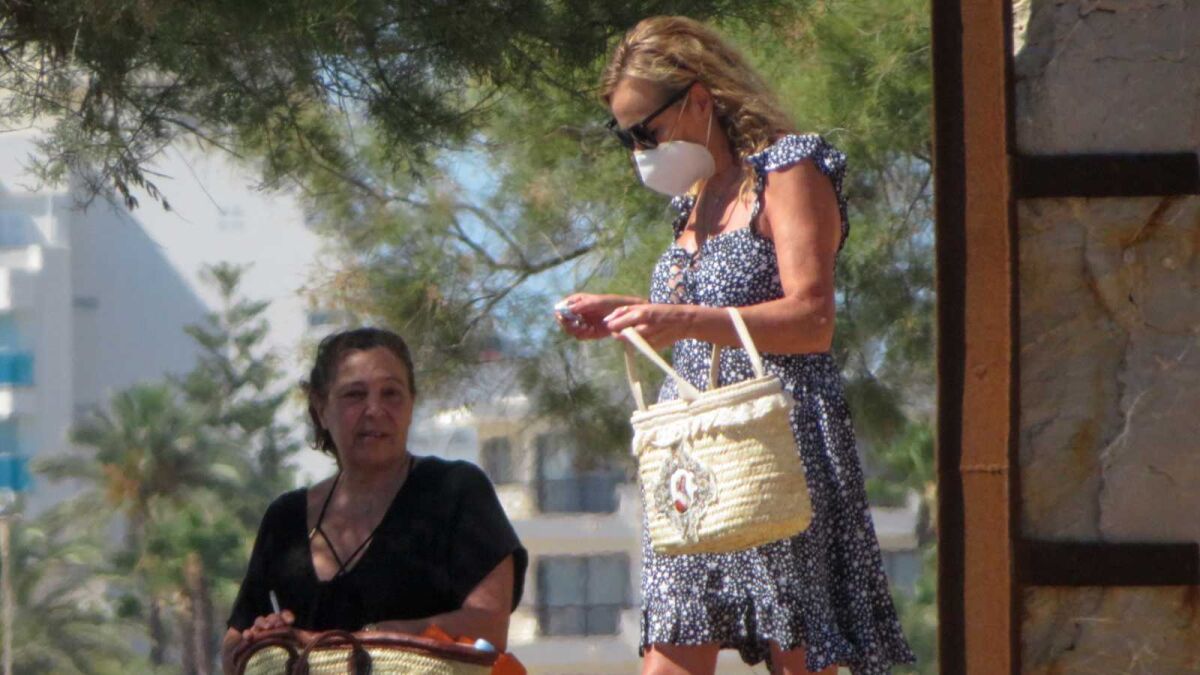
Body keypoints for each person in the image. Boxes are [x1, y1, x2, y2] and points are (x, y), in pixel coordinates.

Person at [558, 16, 915, 675]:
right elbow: (696, 314)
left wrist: (682, 317)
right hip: (692, 454)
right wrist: (626, 312)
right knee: (671, 652)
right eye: (626, 137)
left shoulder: (788, 169)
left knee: (798, 656)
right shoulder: (692, 202)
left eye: (646, 131)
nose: (639, 150)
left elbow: (812, 319)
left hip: (773, 435)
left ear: (698, 99)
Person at [221, 328, 527, 674]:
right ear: (321, 409)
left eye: (391, 393)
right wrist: (263, 639)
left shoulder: (457, 491)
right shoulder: (285, 518)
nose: (375, 409)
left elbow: (489, 626)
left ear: (411, 405)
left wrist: (363, 638)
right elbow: (232, 653)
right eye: (354, 395)